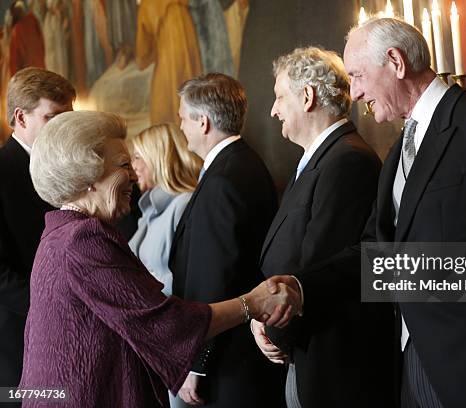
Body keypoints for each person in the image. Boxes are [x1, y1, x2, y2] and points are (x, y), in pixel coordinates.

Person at [271, 18, 466, 408]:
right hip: (411, 369)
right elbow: (377, 255)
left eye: (357, 76)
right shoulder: (399, 149)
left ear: (395, 62)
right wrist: (300, 288)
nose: (353, 93)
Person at [20, 110, 299, 408]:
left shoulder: (60, 233)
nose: (132, 175)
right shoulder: (81, 239)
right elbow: (166, 323)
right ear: (87, 176)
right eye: (124, 165)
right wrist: (253, 303)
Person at [251, 46, 394, 408]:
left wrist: (272, 327)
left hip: (335, 362)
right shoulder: (323, 158)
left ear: (307, 96)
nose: (274, 109)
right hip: (308, 350)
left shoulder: (347, 160)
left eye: (280, 97)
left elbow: (323, 263)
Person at [170, 73, 285, 407]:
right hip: (240, 352)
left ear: (203, 122)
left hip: (228, 362)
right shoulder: (244, 163)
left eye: (182, 119)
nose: (181, 128)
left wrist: (196, 364)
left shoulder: (223, 179)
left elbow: (214, 281)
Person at [0, 67, 74, 395]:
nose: (64, 127)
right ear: (21, 117)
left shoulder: (69, 168)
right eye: (53, 117)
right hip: (17, 332)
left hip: (68, 331)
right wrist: (50, 307)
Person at [129, 123, 202, 298]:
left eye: (138, 156)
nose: (133, 166)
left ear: (158, 157)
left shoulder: (184, 204)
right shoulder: (149, 208)